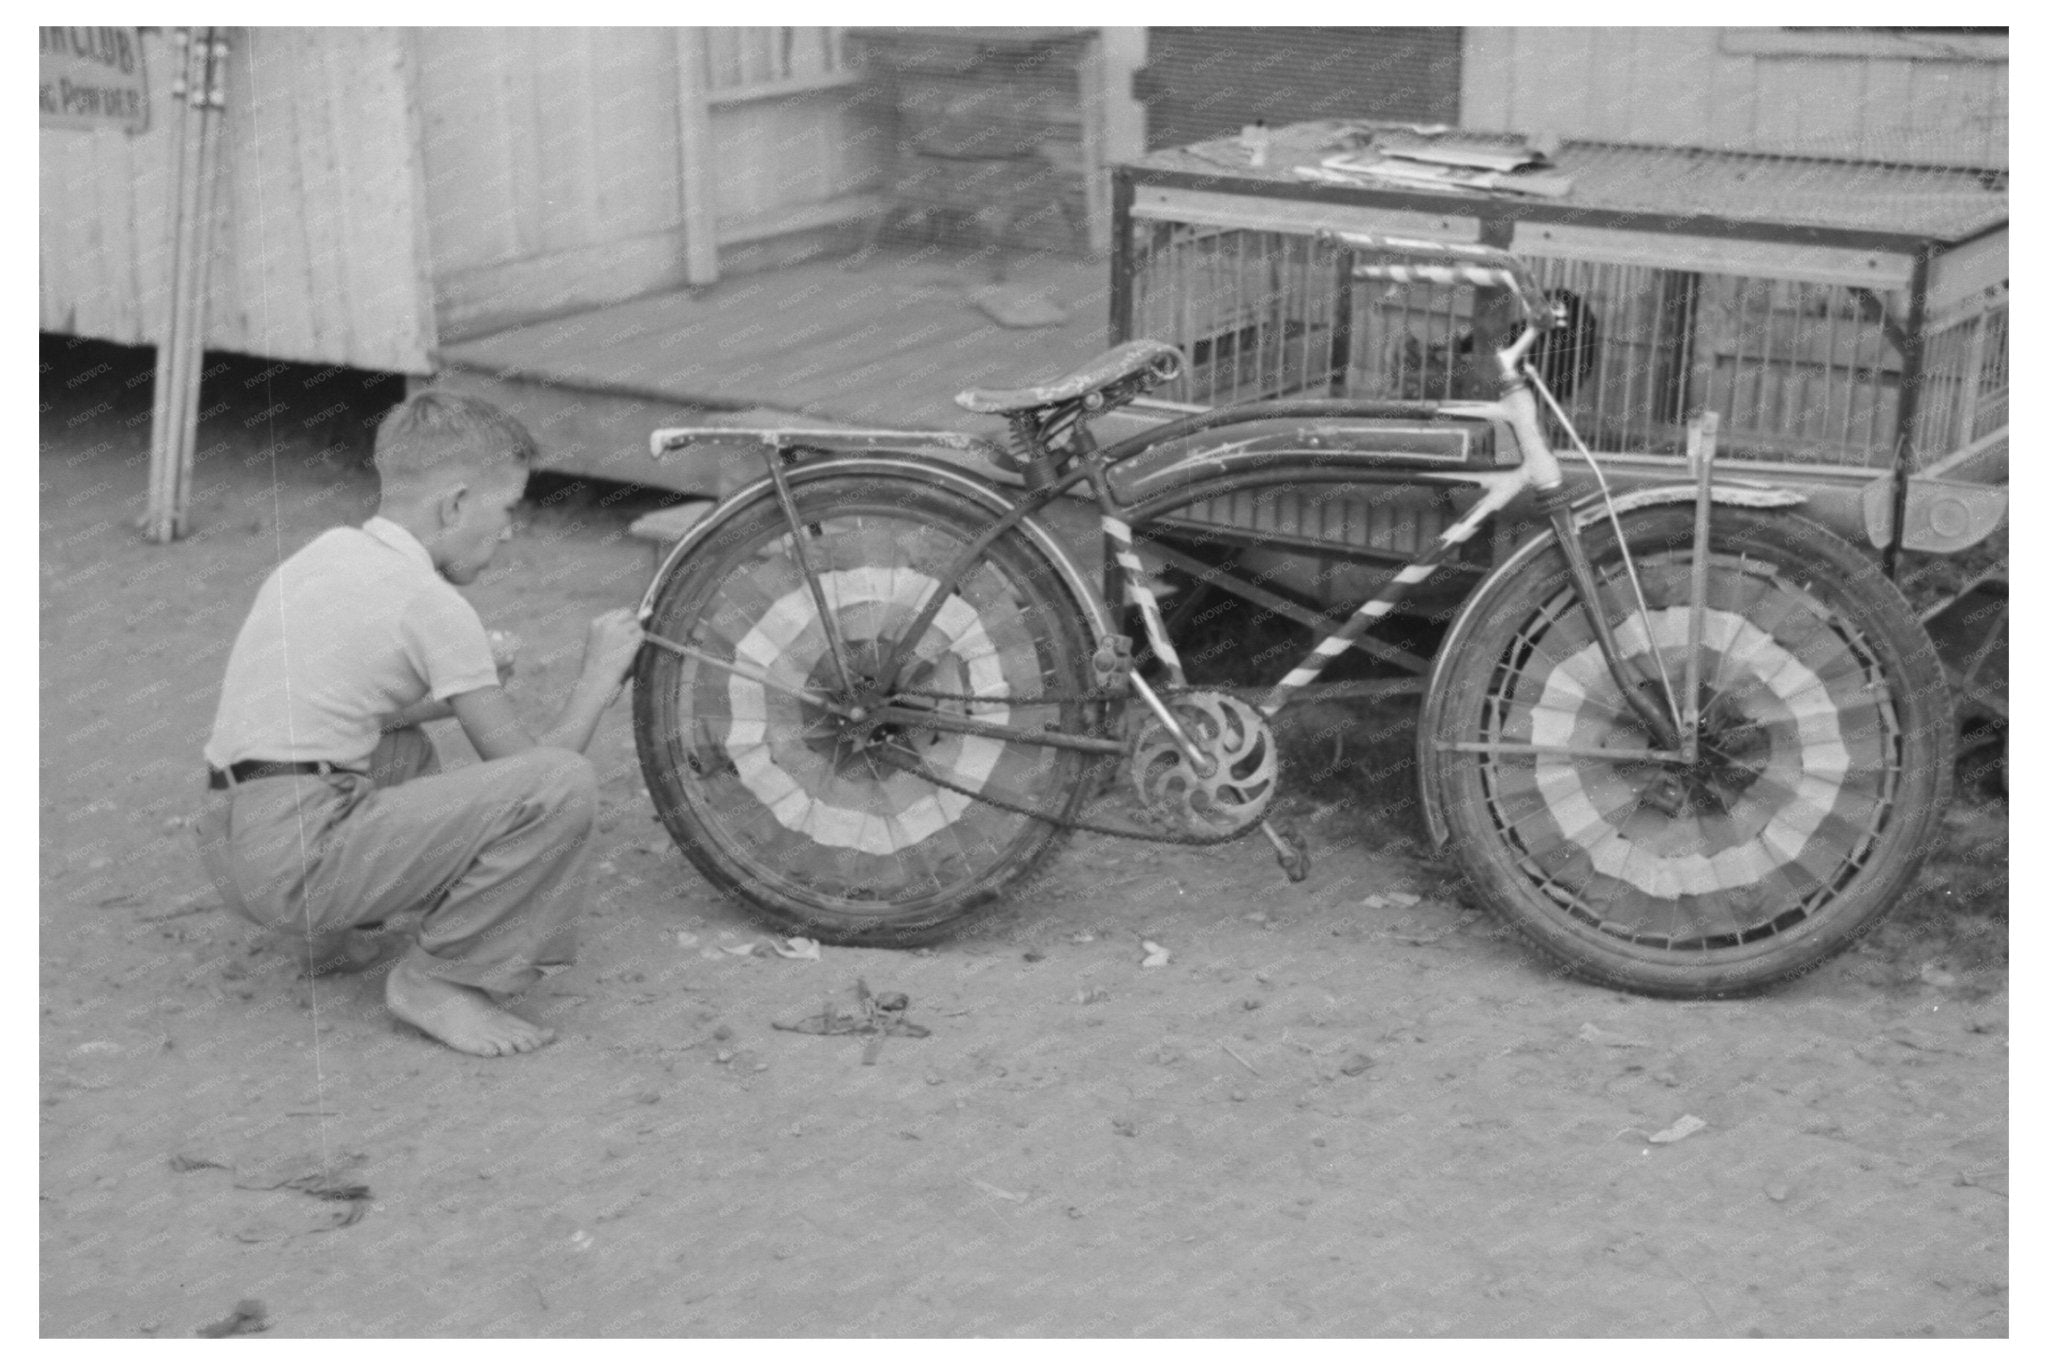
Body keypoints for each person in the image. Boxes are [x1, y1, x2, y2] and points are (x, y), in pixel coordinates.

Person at [193, 391, 644, 1057]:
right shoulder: (434, 605)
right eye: (508, 509)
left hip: (231, 843)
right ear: (457, 504)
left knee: (394, 744)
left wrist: (451, 691)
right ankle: (438, 979)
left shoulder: (323, 555)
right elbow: (533, 773)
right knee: (564, 785)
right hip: (298, 862)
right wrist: (598, 680)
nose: (511, 530)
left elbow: (327, 708)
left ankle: (323, 940)